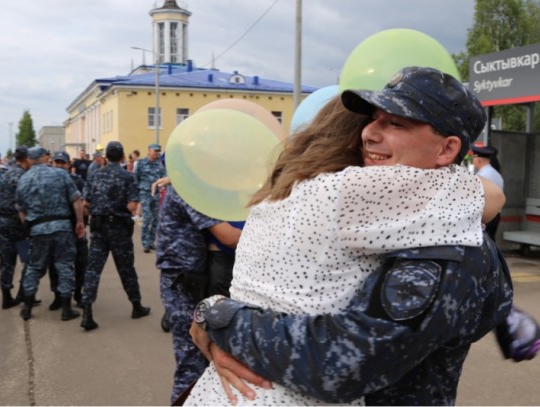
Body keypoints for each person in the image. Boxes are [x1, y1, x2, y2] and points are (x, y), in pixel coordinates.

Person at [183, 67, 511, 406]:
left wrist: (218, 316)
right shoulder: (360, 200)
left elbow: (340, 364)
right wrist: (215, 314)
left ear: (447, 149)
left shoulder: (446, 242)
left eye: (396, 123)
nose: (369, 133)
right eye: (372, 120)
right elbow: (490, 197)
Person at [155, 179, 243, 404]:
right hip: (182, 281)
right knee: (191, 363)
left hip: (184, 278)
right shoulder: (189, 190)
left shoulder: (186, 185)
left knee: (196, 360)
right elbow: (229, 237)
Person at [80, 141, 150, 330]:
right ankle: (136, 305)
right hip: (119, 228)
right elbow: (133, 205)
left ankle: (87, 310)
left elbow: (85, 203)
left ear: (105, 156)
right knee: (126, 268)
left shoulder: (94, 175)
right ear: (121, 157)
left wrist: (99, 207)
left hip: (99, 228)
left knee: (93, 269)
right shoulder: (127, 177)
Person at [15, 147, 84, 321]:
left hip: (38, 229)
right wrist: (79, 222)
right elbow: (76, 200)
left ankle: (27, 308)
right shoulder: (60, 175)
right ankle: (66, 309)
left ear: (29, 160)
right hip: (62, 227)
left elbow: (21, 210)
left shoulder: (23, 180)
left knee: (34, 267)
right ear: (45, 158)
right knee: (64, 265)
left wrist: (29, 226)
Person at [50, 151, 89, 308]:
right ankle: (58, 295)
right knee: (54, 264)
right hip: (57, 229)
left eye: (62, 163)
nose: (59, 166)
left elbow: (84, 202)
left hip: (75, 228)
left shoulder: (77, 180)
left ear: (68, 165)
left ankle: (79, 293)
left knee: (80, 262)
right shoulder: (48, 182)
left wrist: (82, 221)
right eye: (56, 162)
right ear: (52, 163)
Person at [0, 146, 31, 308]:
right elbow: (24, 204)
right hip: (19, 224)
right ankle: (23, 293)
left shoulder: (6, 174)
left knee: (7, 261)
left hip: (4, 222)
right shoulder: (24, 176)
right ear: (26, 159)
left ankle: (6, 296)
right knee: (28, 259)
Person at [135, 144, 166, 253]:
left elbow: (164, 177)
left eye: (158, 151)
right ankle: (145, 243)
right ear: (149, 151)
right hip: (145, 193)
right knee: (147, 217)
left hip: (156, 194)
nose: (156, 153)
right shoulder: (141, 163)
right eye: (155, 151)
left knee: (156, 219)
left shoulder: (159, 164)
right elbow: (136, 178)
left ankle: (151, 241)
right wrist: (137, 194)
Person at [471, 145, 504, 241]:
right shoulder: (494, 173)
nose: (473, 161)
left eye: (474, 158)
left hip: (486, 217)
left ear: (479, 160)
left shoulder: (484, 175)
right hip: (493, 215)